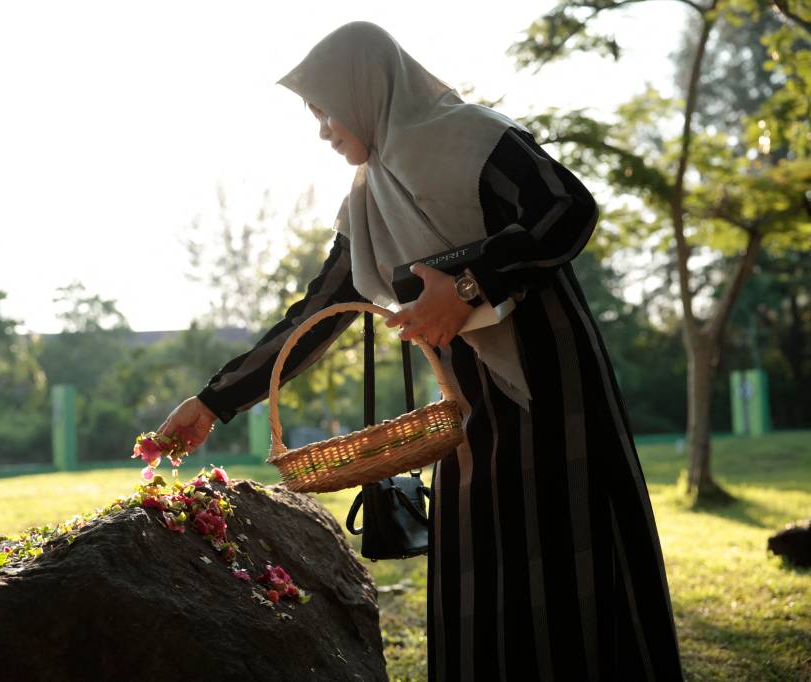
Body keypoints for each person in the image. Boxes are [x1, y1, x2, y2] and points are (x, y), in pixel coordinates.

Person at [158, 21, 684, 681]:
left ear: (365, 88)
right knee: (480, 576)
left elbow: (567, 208)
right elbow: (319, 313)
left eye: (325, 109)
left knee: (571, 564)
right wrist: (215, 401)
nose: (323, 129)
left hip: (552, 389)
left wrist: (469, 284)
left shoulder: (476, 137)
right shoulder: (369, 199)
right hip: (464, 417)